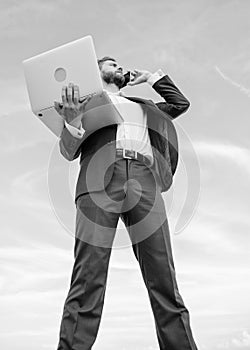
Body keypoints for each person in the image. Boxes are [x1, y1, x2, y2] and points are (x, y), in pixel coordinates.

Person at [54, 56, 198, 350]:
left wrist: (151, 78)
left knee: (163, 277)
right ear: (95, 73)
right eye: (110, 63)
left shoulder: (146, 108)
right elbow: (68, 150)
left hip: (145, 181)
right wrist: (72, 120)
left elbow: (180, 104)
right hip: (99, 179)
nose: (118, 66)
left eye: (119, 64)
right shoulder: (84, 103)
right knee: (89, 275)